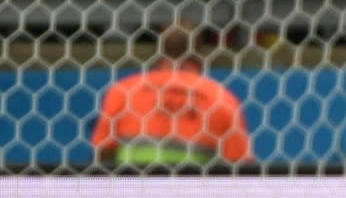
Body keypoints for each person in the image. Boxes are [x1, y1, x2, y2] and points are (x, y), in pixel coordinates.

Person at [91, 21, 251, 168]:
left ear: (158, 52)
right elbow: (240, 165)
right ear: (200, 54)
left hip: (133, 192)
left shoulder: (125, 90)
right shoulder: (221, 98)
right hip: (193, 195)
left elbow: (102, 151)